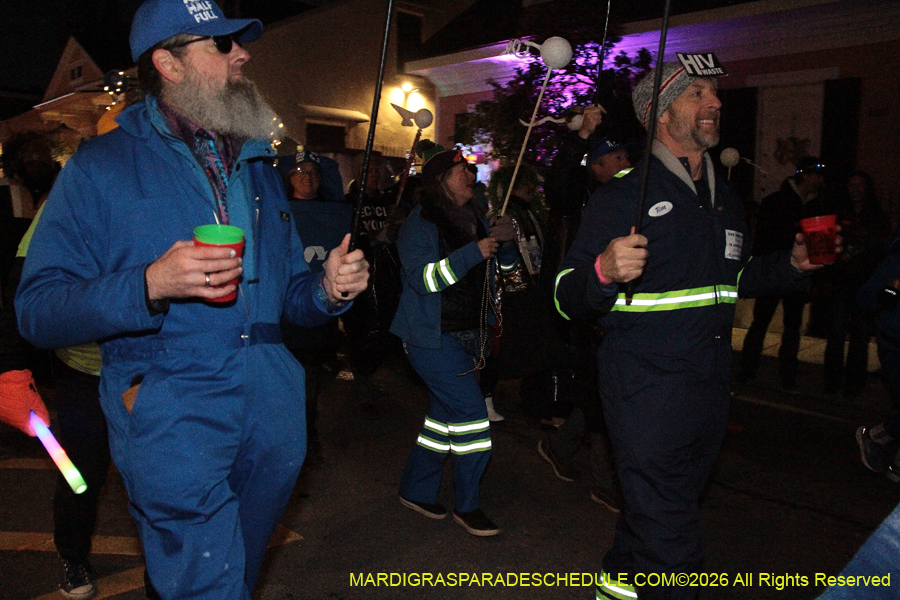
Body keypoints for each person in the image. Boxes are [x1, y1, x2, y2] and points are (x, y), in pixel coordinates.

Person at [15, 2, 369, 599]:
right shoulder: (99, 168)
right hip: (170, 408)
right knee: (207, 582)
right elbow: (37, 309)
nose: (243, 55)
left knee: (233, 573)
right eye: (221, 45)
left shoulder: (259, 168)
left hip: (272, 412)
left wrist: (327, 290)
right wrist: (149, 284)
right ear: (168, 64)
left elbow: (288, 300)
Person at [555, 61, 837, 600]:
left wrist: (793, 266)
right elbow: (565, 297)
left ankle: (614, 589)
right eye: (698, 93)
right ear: (660, 114)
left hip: (708, 387)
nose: (716, 102)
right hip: (645, 391)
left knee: (654, 514)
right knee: (673, 543)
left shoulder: (724, 196)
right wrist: (601, 274)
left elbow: (732, 279)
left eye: (715, 92)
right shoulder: (624, 196)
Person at [391, 148, 515, 537]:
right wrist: (472, 253)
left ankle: (415, 490)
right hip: (432, 338)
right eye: (461, 170)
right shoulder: (419, 224)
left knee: (441, 419)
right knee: (472, 418)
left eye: (471, 170)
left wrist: (506, 243)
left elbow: (506, 273)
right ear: (440, 180)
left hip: (470, 337)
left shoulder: (476, 220)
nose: (470, 175)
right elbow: (423, 281)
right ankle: (468, 506)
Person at [281, 151, 353, 461]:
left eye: (313, 172)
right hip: (287, 313)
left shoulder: (334, 213)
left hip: (321, 310)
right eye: (300, 171)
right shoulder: (278, 212)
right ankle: (298, 441)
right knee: (295, 382)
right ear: (289, 178)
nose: (307, 178)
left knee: (312, 379)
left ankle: (305, 438)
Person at [737, 156, 827, 393]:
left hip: (798, 275)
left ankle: (788, 376)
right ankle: (747, 370)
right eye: (814, 175)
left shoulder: (816, 206)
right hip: (772, 271)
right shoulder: (776, 201)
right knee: (760, 322)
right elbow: (763, 239)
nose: (818, 181)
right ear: (804, 175)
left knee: (793, 327)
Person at [822, 171, 889, 395]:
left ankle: (854, 384)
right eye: (852, 185)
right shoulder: (838, 213)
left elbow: (882, 249)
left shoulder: (876, 216)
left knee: (860, 336)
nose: (856, 189)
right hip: (841, 282)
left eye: (860, 185)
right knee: (836, 333)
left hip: (865, 284)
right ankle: (831, 383)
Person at [856, 226, 900, 481]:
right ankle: (875, 436)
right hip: (895, 346)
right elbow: (866, 299)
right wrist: (890, 291)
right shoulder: (896, 261)